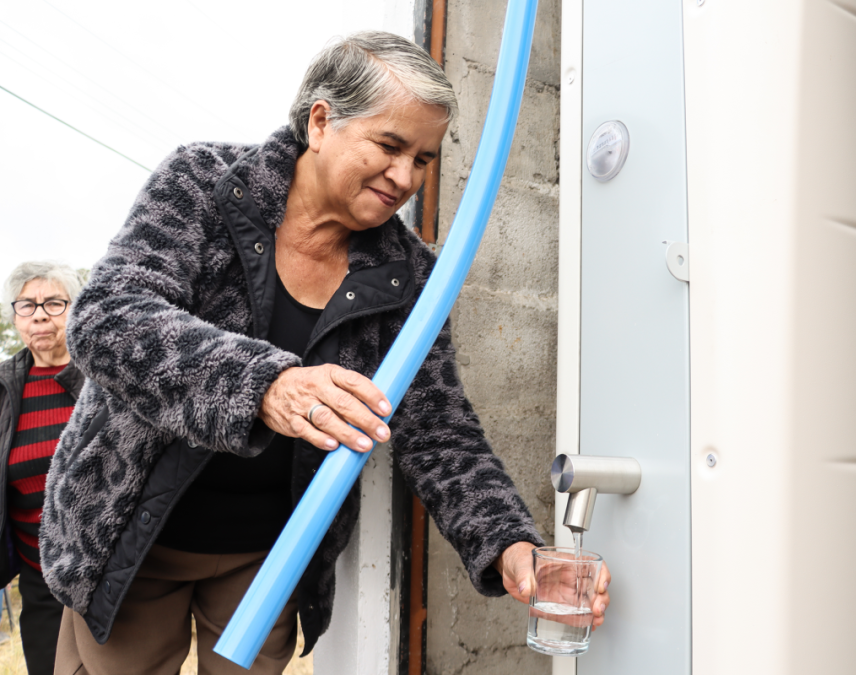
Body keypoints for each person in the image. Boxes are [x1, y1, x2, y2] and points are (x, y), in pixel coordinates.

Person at [41, 31, 610, 675]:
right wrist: (266, 385)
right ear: (321, 122)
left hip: (270, 559)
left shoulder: (409, 276)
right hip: (130, 542)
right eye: (390, 146)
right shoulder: (204, 184)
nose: (405, 177)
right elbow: (109, 319)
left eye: (423, 158)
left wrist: (509, 543)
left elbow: (439, 432)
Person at [0, 262, 85, 675]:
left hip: (114, 575)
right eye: (27, 305)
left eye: (54, 303)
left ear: (76, 309)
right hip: (41, 581)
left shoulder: (104, 379)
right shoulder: (3, 390)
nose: (39, 314)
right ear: (15, 317)